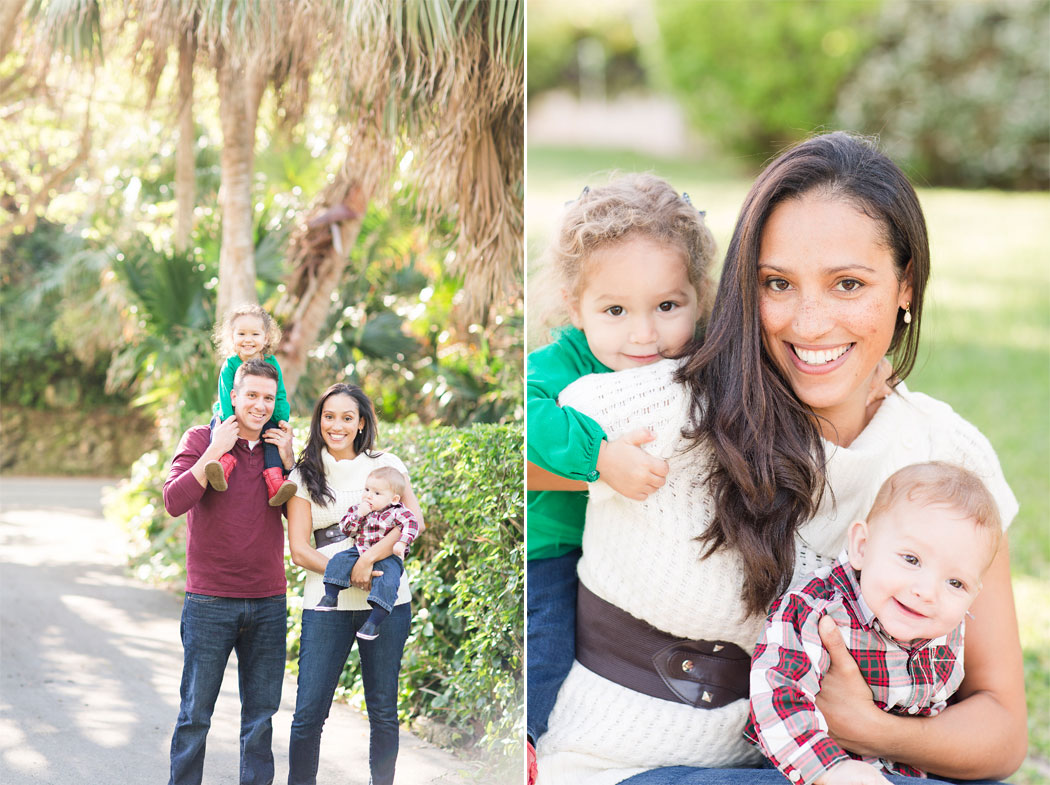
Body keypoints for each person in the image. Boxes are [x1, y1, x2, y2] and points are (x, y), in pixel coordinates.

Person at [534, 132, 1024, 785]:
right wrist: (594, 463)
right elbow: (512, 444)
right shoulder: (665, 408)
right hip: (638, 762)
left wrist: (868, 729)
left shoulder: (948, 455)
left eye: (848, 283)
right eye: (778, 284)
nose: (811, 321)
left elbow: (1000, 729)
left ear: (906, 286)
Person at [525, 175, 718, 775]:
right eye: (615, 310)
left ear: (697, 297)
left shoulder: (698, 354)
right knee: (548, 649)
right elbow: (526, 422)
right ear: (573, 304)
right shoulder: (555, 366)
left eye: (667, 306)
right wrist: (601, 457)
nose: (644, 335)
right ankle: (526, 749)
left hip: (636, 559)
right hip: (553, 548)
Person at [746, 462, 1003, 785]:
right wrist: (831, 769)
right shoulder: (819, 610)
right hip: (809, 768)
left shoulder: (944, 627)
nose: (926, 592)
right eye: (911, 560)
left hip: (903, 768)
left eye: (955, 583)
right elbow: (776, 693)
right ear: (862, 547)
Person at [162, 358, 295, 785]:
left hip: (268, 601)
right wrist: (212, 454)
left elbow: (307, 518)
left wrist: (292, 464)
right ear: (232, 395)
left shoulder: (280, 447)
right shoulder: (202, 437)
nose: (259, 405)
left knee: (260, 720)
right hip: (209, 601)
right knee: (195, 715)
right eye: (251, 395)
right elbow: (173, 501)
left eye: (267, 398)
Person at [285, 383, 424, 785]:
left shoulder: (387, 464)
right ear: (319, 421)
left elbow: (414, 522)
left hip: (386, 601)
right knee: (309, 712)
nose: (337, 425)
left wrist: (367, 560)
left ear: (361, 422)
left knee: (383, 711)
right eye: (329, 416)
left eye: (347, 417)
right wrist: (349, 574)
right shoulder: (304, 474)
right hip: (325, 604)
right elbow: (298, 549)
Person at [315, 466, 421, 642]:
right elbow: (347, 530)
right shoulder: (359, 509)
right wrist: (359, 514)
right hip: (360, 550)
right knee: (338, 560)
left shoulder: (398, 512)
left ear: (394, 498)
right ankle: (330, 597)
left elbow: (412, 524)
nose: (369, 495)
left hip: (389, 557)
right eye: (367, 490)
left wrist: (402, 542)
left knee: (389, 582)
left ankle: (373, 622)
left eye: (377, 493)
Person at [205, 303, 297, 506]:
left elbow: (279, 393)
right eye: (242, 334)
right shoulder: (230, 365)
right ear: (232, 338)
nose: (248, 340)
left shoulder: (272, 363)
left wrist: (281, 419)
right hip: (229, 413)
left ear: (266, 338)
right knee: (218, 428)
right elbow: (225, 396)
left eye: (255, 334)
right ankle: (222, 465)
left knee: (272, 435)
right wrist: (231, 423)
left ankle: (275, 481)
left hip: (261, 416)